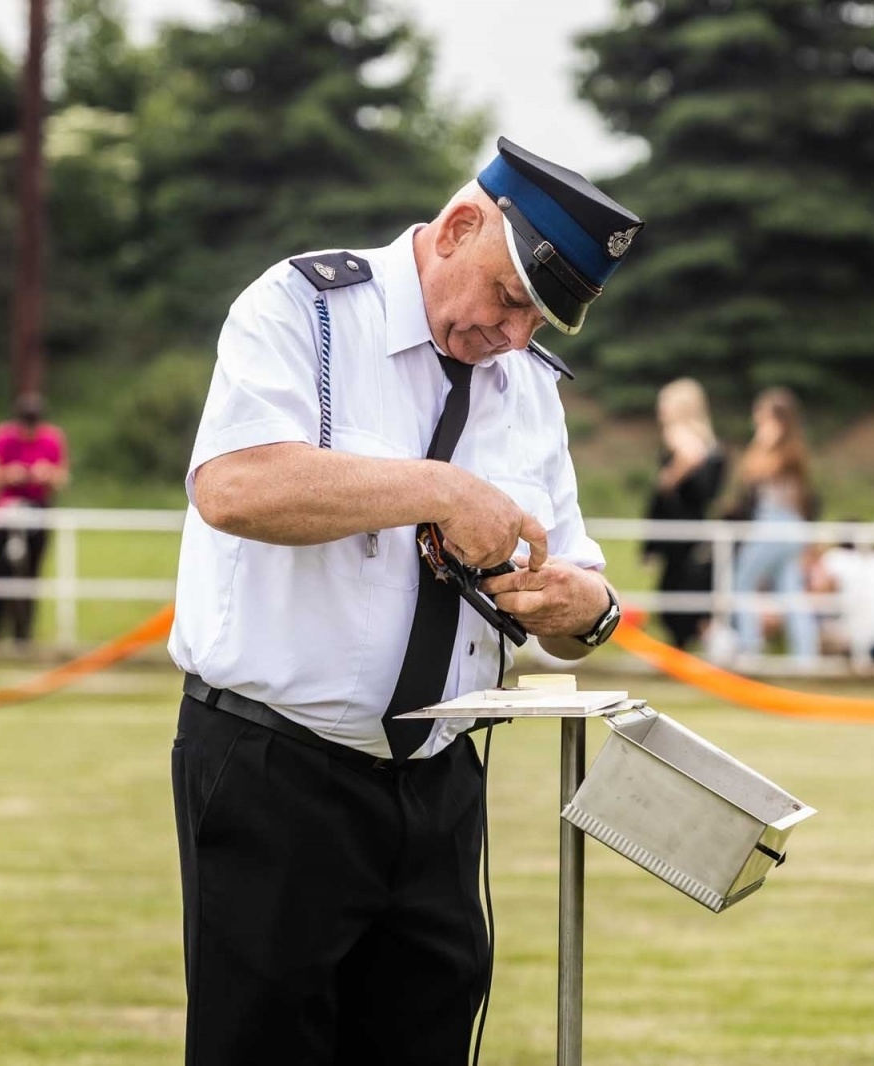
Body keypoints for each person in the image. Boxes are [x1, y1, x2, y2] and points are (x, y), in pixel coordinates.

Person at [168, 137, 638, 1065]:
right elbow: (234, 486)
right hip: (278, 768)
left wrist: (583, 608)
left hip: (441, 781)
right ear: (459, 227)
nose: (516, 337)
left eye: (539, 320)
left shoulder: (526, 388)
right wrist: (438, 490)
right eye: (510, 298)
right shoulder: (304, 306)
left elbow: (584, 599)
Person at [726, 387, 817, 663]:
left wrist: (761, 442)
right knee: (790, 591)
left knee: (741, 584)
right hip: (788, 528)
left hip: (774, 527)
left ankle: (749, 648)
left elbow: (751, 472)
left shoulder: (783, 453)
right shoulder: (794, 452)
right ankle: (806, 657)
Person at [643, 377, 726, 650]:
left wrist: (669, 478)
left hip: (679, 528)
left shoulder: (679, 436)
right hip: (692, 526)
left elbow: (689, 462)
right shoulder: (710, 442)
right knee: (684, 589)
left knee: (675, 590)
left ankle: (681, 647)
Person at [0, 393, 68, 645]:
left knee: (31, 574)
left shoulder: (52, 439)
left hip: (37, 511)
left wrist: (47, 474)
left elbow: (62, 477)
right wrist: (8, 475)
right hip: (5, 512)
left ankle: (23, 634)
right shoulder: (2, 437)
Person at [811, 524, 874, 662]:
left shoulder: (836, 559)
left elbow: (819, 590)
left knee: (815, 618)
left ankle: (812, 664)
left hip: (859, 639)